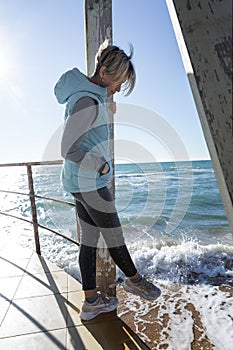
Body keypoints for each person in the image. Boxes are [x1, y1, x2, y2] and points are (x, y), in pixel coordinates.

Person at [54, 40, 161, 321]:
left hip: (79, 183)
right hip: (91, 183)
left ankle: (91, 302)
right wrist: (100, 166)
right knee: (114, 236)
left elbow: (88, 129)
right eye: (117, 82)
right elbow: (67, 147)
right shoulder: (87, 102)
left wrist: (107, 102)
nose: (118, 89)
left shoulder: (91, 96)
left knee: (88, 242)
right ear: (103, 72)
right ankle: (135, 280)